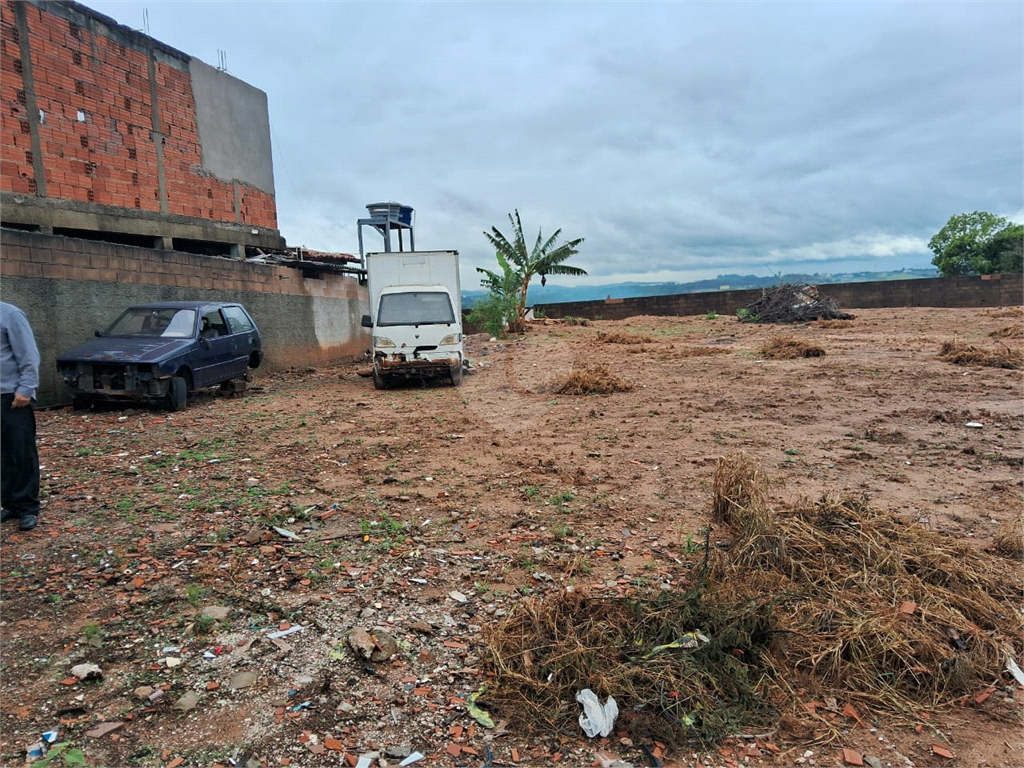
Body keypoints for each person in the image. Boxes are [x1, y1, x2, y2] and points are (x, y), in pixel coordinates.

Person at [1, 302, 41, 531]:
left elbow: (28, 353)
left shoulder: (10, 314)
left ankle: (27, 507)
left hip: (11, 396)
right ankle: (10, 503)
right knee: (3, 453)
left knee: (21, 451)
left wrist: (26, 388)